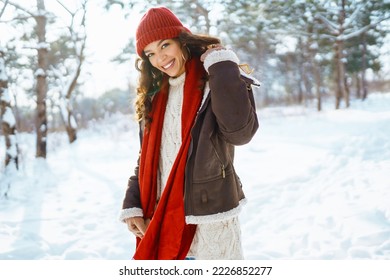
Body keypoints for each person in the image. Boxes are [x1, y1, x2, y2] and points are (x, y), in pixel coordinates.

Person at [119, 6, 259, 260]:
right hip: (161, 216)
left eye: (164, 45)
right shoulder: (153, 97)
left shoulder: (213, 79)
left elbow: (240, 133)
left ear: (181, 39)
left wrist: (223, 67)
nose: (159, 59)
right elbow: (149, 158)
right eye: (150, 53)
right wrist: (133, 204)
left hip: (208, 220)